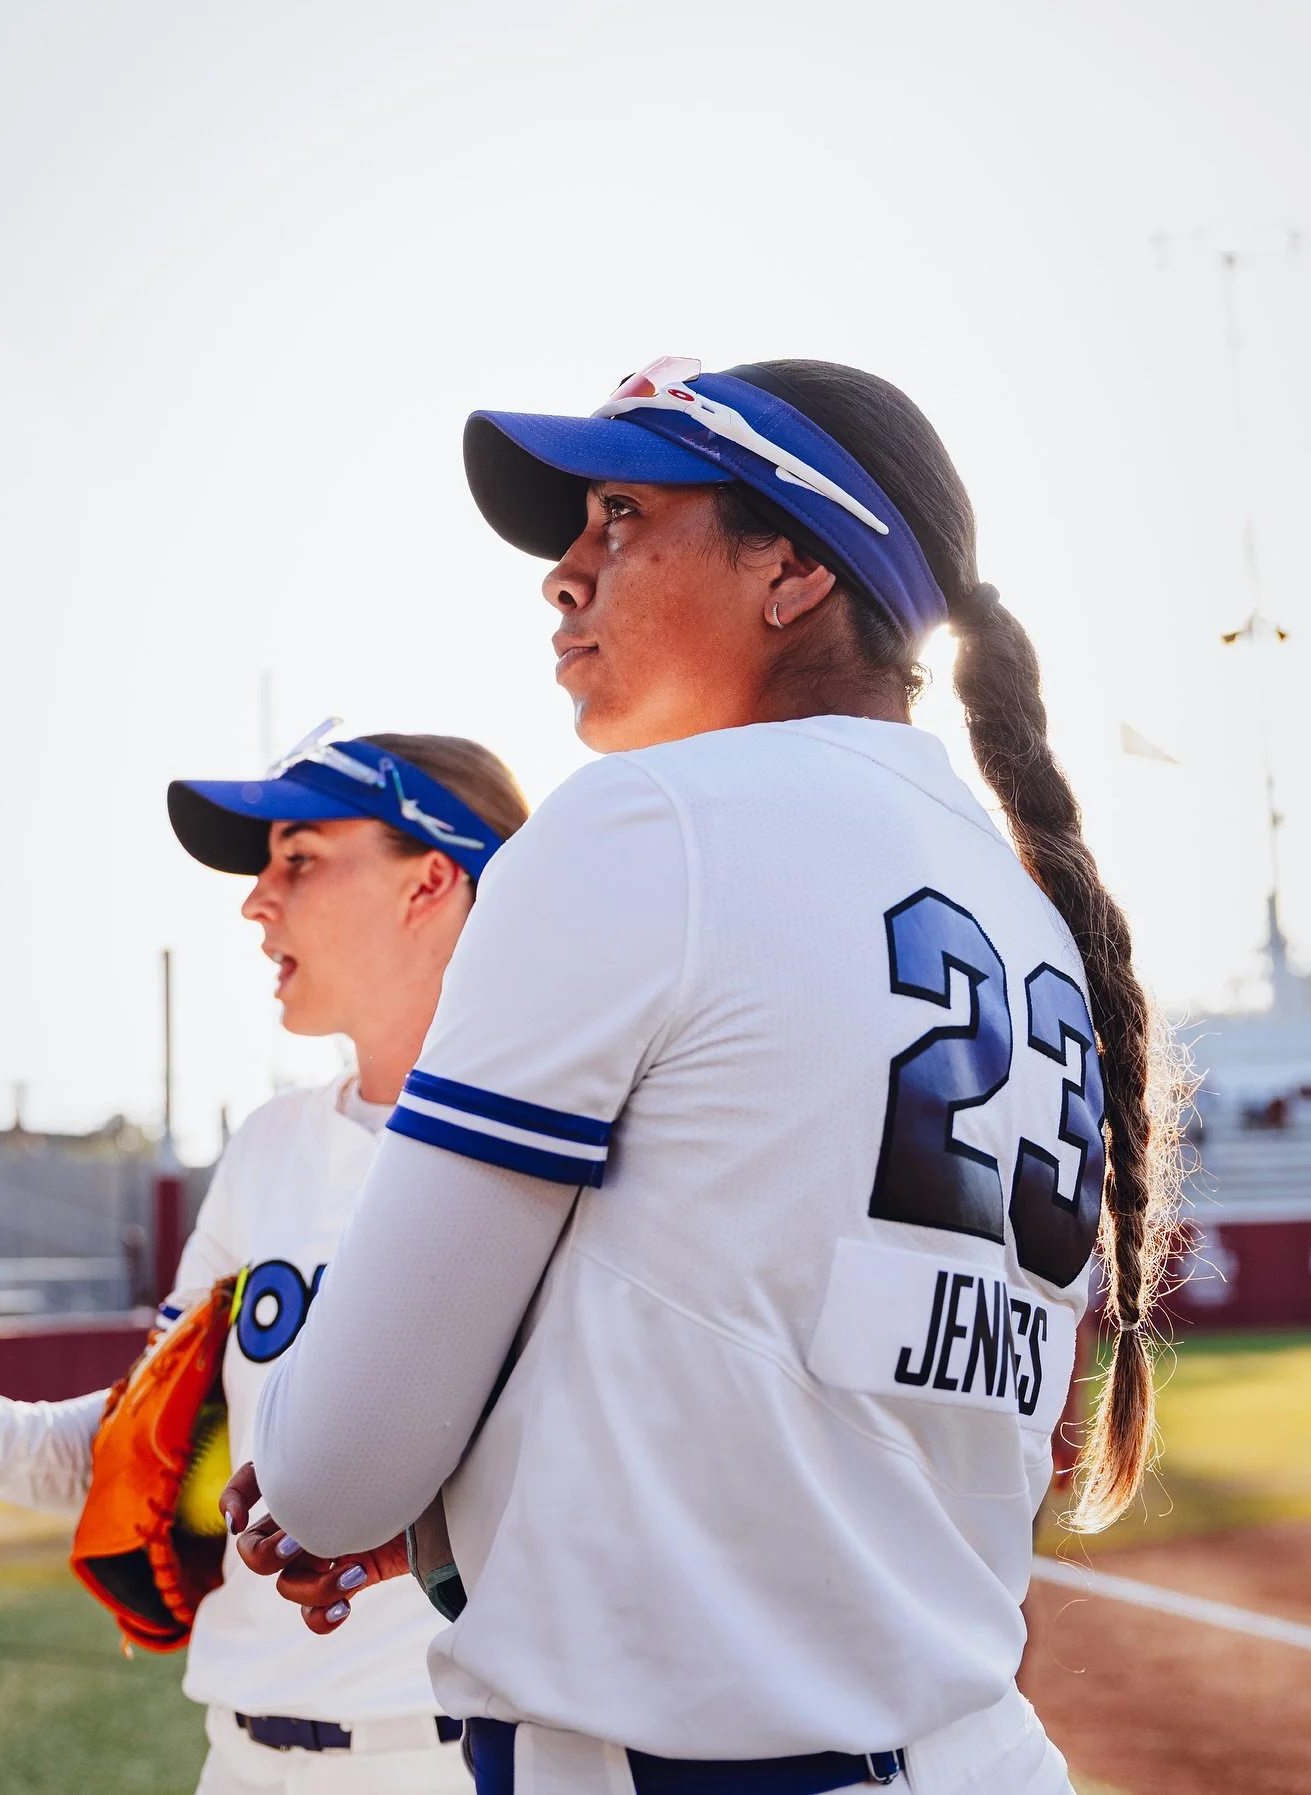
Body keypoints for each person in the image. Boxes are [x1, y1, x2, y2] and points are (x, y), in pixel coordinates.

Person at [241, 359, 1181, 1795]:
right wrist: (478, 1495)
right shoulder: (1025, 903)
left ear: (795, 568)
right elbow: (792, 1362)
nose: (566, 572)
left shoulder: (649, 822)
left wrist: (363, 1473)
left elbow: (327, 1475)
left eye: (621, 513)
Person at [0, 725, 527, 1794]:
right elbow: (147, 1453)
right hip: (237, 1759)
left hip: (447, 1763)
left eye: (300, 858)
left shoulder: (567, 1151)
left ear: (432, 881)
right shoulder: (273, 1145)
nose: (255, 899)